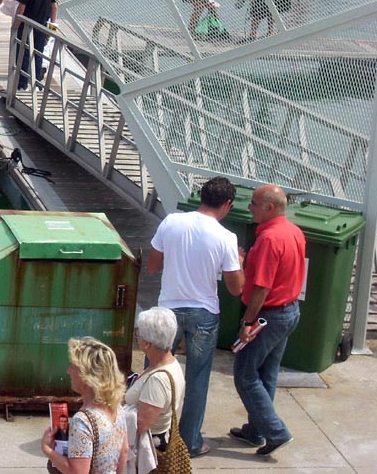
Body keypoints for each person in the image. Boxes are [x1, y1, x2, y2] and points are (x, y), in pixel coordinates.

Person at [146, 176, 244, 458]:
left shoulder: (171, 223)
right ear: (226, 204)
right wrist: (241, 263)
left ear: (202, 196)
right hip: (204, 314)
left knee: (154, 373)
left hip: (167, 311)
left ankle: (147, 434)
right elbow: (236, 289)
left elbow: (153, 266)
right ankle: (189, 442)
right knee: (197, 379)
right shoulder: (226, 237)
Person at [230, 184, 305, 456]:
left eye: (254, 203)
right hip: (289, 312)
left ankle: (275, 431)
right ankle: (256, 430)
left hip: (268, 315)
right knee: (267, 373)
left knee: (245, 374)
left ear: (269, 207)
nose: (249, 207)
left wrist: (247, 323)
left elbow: (261, 287)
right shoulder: (293, 232)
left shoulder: (269, 239)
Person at [43, 337, 128, 474]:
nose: (68, 371)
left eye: (73, 367)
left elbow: (77, 472)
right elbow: (123, 452)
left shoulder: (83, 421)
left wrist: (48, 450)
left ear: (87, 376)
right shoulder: (117, 409)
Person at [124, 307, 185, 460]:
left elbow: (141, 424)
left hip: (146, 453)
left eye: (138, 335)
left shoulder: (158, 380)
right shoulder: (170, 364)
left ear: (147, 344)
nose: (136, 338)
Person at [14, 0, 57, 90]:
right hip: (42, 25)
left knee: (23, 54)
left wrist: (15, 25)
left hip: (26, 25)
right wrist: (53, 25)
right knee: (38, 53)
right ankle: (38, 83)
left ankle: (22, 84)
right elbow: (55, 6)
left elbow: (21, 8)